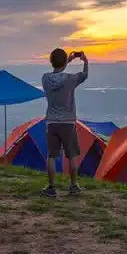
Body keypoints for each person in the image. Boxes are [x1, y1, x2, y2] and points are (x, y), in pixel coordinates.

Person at [40, 48, 88, 197]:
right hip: (68, 123)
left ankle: (51, 187)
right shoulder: (70, 79)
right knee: (72, 155)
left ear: (51, 61)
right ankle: (73, 186)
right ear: (64, 62)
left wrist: (66, 60)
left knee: (52, 156)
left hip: (52, 122)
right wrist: (85, 61)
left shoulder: (45, 78)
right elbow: (84, 75)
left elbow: (58, 69)